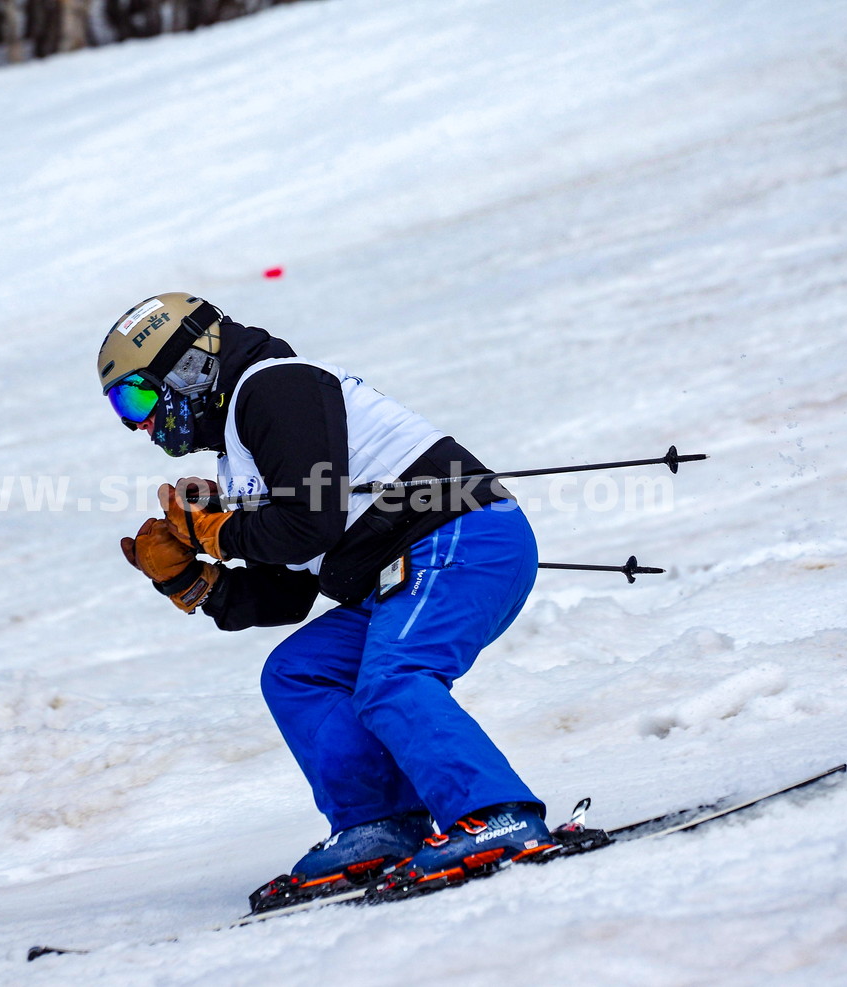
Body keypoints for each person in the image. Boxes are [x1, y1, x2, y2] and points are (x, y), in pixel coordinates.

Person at [98, 293, 552, 897]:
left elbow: (310, 524)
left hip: (460, 538)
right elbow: (289, 591)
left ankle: (498, 817)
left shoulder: (275, 387)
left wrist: (216, 530)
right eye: (122, 409)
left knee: (394, 676)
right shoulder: (240, 459)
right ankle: (381, 825)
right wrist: (193, 581)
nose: (139, 424)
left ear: (189, 366)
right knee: (299, 672)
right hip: (401, 569)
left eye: (138, 396)